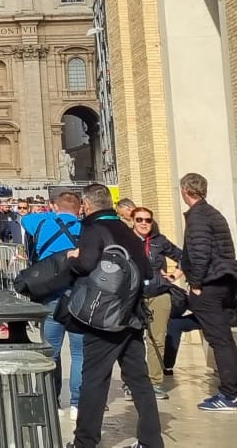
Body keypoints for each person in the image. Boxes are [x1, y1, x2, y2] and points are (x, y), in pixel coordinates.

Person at [61, 183, 163, 448]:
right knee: (139, 380)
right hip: (133, 315)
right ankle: (152, 441)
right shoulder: (126, 230)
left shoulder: (94, 229)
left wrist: (73, 258)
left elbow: (84, 265)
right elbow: (148, 272)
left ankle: (85, 442)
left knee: (94, 379)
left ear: (87, 204)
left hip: (104, 318)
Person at [175, 171, 237, 411]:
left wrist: (197, 284)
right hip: (224, 281)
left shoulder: (199, 217)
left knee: (220, 340)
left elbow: (200, 253)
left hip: (209, 285)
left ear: (186, 191)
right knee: (224, 339)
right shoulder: (212, 213)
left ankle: (229, 394)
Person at [23, 189, 84, 417]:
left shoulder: (41, 224)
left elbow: (25, 218)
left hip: (51, 296)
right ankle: (77, 404)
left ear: (55, 206)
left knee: (51, 351)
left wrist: (55, 214)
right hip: (78, 295)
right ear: (79, 210)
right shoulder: (84, 228)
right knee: (79, 353)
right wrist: (72, 217)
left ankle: (52, 401)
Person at [127, 206, 185, 397]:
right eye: (139, 220)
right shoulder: (125, 240)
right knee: (132, 340)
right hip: (133, 297)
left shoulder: (160, 241)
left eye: (148, 220)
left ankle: (154, 381)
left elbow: (184, 257)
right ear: (132, 221)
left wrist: (174, 275)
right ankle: (133, 382)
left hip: (159, 295)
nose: (144, 223)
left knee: (157, 339)